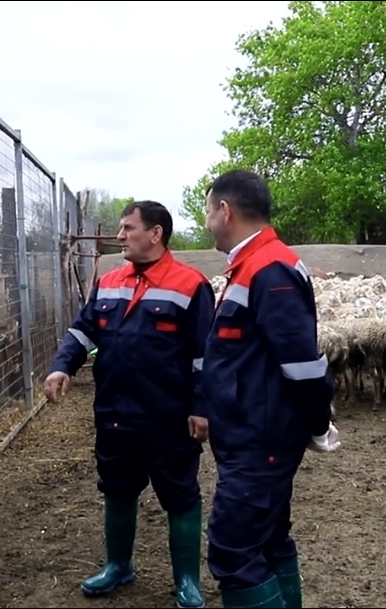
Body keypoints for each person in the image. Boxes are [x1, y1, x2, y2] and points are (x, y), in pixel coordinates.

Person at [44, 201, 214, 609]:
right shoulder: (109, 281)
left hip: (169, 416)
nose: (120, 236)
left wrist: (202, 406)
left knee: (180, 496)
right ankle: (118, 565)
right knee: (117, 490)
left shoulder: (191, 285)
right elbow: (83, 330)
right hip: (115, 412)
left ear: (155, 234)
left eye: (128, 228)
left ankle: (187, 581)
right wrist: (62, 365)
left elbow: (206, 355)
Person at [200, 169, 341, 609]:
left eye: (207, 211)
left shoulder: (268, 269)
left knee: (233, 550)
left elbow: (303, 364)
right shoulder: (254, 265)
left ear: (225, 211)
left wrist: (318, 423)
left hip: (260, 438)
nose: (206, 222)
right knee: (269, 537)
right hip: (252, 431)